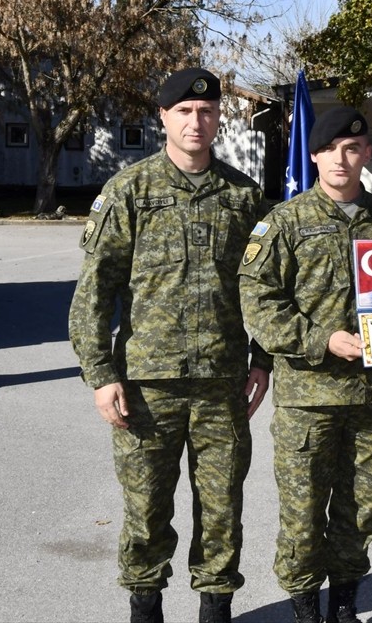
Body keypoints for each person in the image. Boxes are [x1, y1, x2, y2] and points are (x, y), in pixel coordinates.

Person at [69, 67, 271, 623]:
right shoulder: (130, 190)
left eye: (206, 112)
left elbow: (268, 287)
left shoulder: (244, 196)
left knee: (223, 508)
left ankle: (215, 610)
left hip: (222, 384)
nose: (196, 121)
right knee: (146, 509)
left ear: (218, 120)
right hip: (145, 385)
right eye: (184, 111)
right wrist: (100, 374)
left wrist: (262, 359)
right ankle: (145, 609)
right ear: (163, 116)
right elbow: (94, 291)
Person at [238, 107, 372, 623]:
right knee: (301, 514)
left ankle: (343, 604)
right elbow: (259, 302)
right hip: (309, 400)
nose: (343, 159)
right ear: (314, 155)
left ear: (366, 154)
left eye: (354, 149)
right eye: (332, 149)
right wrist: (323, 339)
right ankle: (303, 607)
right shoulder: (285, 222)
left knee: (361, 511)